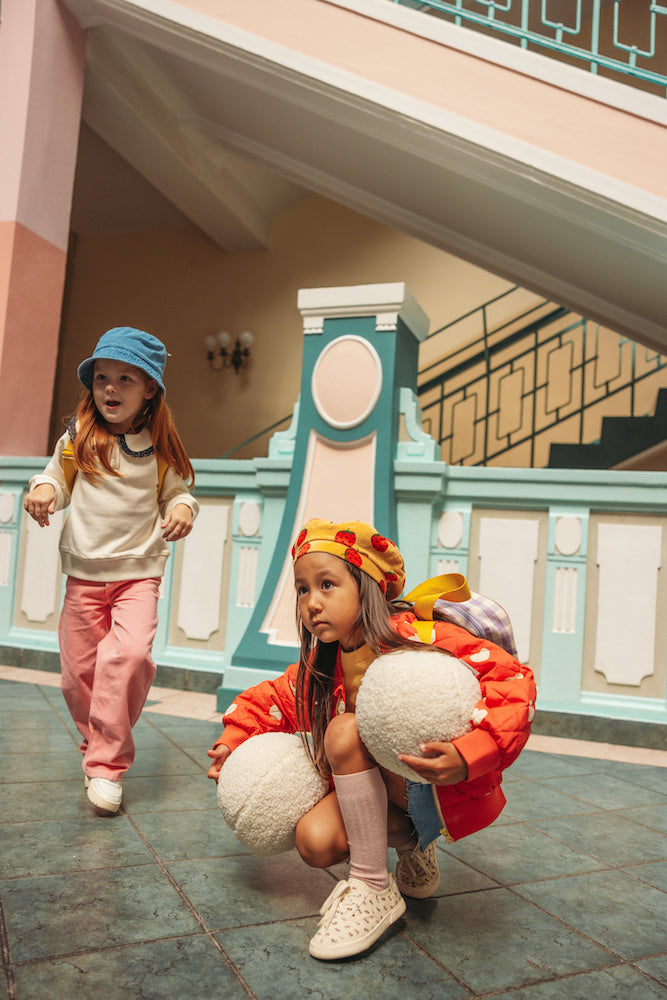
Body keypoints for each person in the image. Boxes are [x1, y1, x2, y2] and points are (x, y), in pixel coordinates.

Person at [207, 518, 536, 961]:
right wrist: (231, 743)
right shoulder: (321, 669)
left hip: (438, 787)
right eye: (303, 590)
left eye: (327, 584)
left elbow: (513, 683)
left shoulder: (422, 637)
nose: (311, 603)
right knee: (314, 842)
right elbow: (269, 700)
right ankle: (410, 842)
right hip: (384, 786)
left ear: (368, 588)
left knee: (343, 730)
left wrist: (468, 753)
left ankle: (371, 886)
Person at [24, 326, 198, 815]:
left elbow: (179, 493)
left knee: (132, 658)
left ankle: (106, 763)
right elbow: (55, 478)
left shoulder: (159, 448)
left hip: (138, 574)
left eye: (125, 378)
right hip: (83, 576)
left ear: (149, 390)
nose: (110, 389)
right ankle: (99, 745)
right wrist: (43, 491)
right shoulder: (78, 436)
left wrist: (184, 508)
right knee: (76, 674)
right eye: (102, 377)